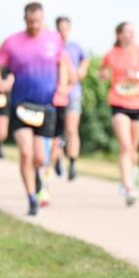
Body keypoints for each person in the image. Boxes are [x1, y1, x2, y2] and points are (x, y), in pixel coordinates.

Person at [0, 1, 69, 215]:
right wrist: (0, 84)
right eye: (30, 21)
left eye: (37, 21)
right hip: (21, 105)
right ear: (24, 19)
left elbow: (62, 63)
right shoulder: (12, 42)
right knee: (26, 153)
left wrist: (62, 85)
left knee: (40, 158)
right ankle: (31, 197)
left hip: (45, 105)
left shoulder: (53, 39)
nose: (34, 25)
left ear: (42, 18)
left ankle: (38, 178)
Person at [99, 21, 139, 206]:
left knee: (133, 148)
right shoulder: (111, 53)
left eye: (133, 31)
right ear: (119, 34)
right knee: (125, 146)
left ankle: (131, 171)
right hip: (119, 103)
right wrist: (104, 75)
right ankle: (128, 187)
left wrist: (137, 77)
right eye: (128, 32)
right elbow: (102, 71)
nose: (132, 35)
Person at [51, 16, 89, 180]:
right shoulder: (51, 47)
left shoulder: (75, 47)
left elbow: (85, 59)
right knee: (55, 132)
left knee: (72, 129)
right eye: (60, 29)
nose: (63, 32)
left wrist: (82, 70)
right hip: (55, 95)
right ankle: (57, 157)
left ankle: (72, 163)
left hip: (73, 94)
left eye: (66, 29)